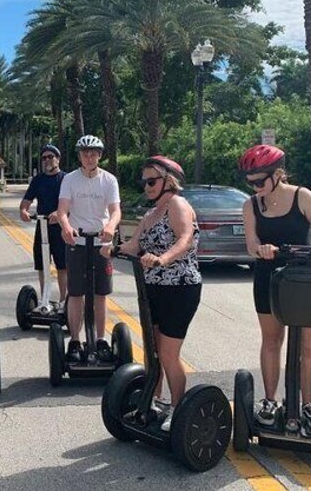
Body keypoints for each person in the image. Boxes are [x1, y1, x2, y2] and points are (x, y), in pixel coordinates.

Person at [239, 144, 311, 432]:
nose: (255, 187)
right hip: (268, 279)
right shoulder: (250, 205)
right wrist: (260, 249)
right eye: (250, 182)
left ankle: (308, 404)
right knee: (271, 341)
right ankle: (270, 401)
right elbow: (250, 242)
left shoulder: (302, 196)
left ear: (278, 174)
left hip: (303, 279)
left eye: (260, 181)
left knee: (306, 345)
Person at [101, 156, 201, 431]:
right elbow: (135, 244)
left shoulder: (177, 205)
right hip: (152, 287)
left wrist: (164, 258)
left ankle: (178, 408)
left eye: (151, 181)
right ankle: (152, 401)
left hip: (180, 288)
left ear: (168, 181)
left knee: (168, 353)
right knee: (152, 352)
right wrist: (113, 248)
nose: (146, 186)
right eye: (144, 181)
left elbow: (185, 238)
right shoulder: (150, 213)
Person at [56, 135, 121, 363]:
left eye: (93, 153)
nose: (89, 156)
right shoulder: (70, 180)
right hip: (77, 242)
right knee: (76, 294)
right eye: (85, 153)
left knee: (100, 295)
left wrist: (111, 227)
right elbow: (62, 210)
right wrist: (66, 227)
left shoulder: (109, 180)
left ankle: (101, 340)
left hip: (101, 243)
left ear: (100, 155)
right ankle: (74, 340)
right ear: (80, 155)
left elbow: (115, 210)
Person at [19, 144, 68, 308]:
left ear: (58, 158)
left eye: (50, 157)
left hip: (61, 228)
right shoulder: (38, 180)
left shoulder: (66, 179)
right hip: (42, 226)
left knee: (63, 266)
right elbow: (27, 200)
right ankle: (44, 300)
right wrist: (24, 210)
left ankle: (64, 301)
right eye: (44, 158)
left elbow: (72, 203)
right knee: (42, 265)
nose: (47, 160)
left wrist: (59, 213)